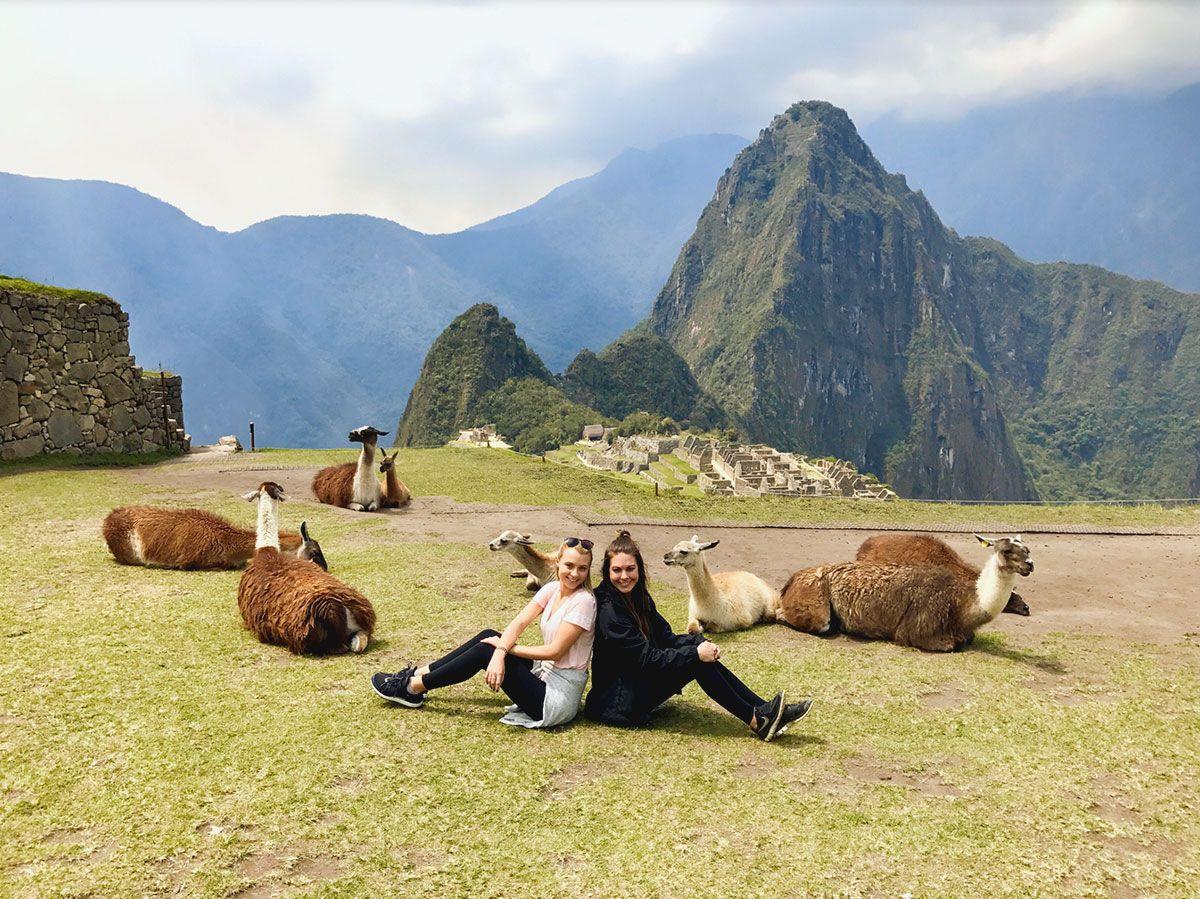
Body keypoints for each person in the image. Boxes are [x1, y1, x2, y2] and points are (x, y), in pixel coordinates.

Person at [583, 530, 811, 741]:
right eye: (617, 570)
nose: (624, 576)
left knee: (700, 657)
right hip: (617, 703)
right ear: (607, 571)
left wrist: (700, 643)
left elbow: (666, 638)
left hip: (634, 684)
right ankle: (758, 719)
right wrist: (695, 653)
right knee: (697, 663)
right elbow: (646, 659)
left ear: (639, 569)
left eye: (630, 569)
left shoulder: (638, 597)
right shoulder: (608, 610)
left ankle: (764, 710)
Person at [371, 538, 596, 728]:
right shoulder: (552, 589)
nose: (574, 574)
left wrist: (502, 650)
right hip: (544, 674)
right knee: (489, 636)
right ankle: (417, 674)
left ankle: (412, 689)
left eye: (582, 568)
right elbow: (518, 623)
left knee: (486, 650)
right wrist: (500, 650)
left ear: (588, 570)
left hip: (556, 699)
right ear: (558, 563)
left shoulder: (584, 602)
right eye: (569, 565)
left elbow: (555, 652)